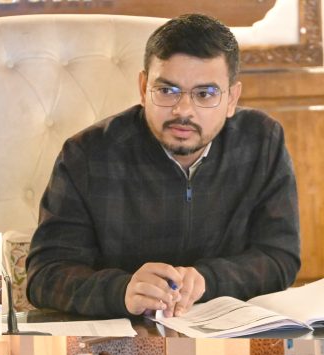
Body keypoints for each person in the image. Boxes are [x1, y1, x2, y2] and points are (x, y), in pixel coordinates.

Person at [26, 14, 300, 320]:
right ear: (144, 88)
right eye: (167, 91)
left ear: (232, 98)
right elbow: (44, 276)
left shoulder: (262, 140)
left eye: (205, 94)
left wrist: (208, 279)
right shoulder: (86, 155)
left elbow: (280, 258)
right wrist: (121, 290)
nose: (183, 111)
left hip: (227, 328)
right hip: (123, 328)